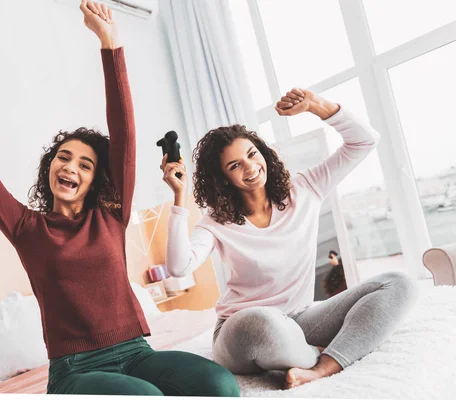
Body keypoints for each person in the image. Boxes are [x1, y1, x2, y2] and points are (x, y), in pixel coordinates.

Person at [0, 1, 239, 396]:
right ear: (50, 167)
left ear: (97, 179)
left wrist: (110, 42)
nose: (71, 168)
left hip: (136, 352)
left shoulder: (112, 216)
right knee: (145, 396)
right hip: (74, 370)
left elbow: (125, 135)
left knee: (219, 383)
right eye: (64, 157)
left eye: (85, 164)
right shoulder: (26, 227)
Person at [160, 88, 419, 389]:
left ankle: (324, 366)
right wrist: (179, 198)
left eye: (252, 154)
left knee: (399, 284)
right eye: (235, 165)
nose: (250, 167)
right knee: (263, 322)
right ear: (223, 178)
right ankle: (313, 353)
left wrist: (318, 107)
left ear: (263, 152)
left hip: (302, 318)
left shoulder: (306, 188)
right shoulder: (217, 222)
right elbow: (180, 267)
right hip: (243, 330)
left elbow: (364, 141)